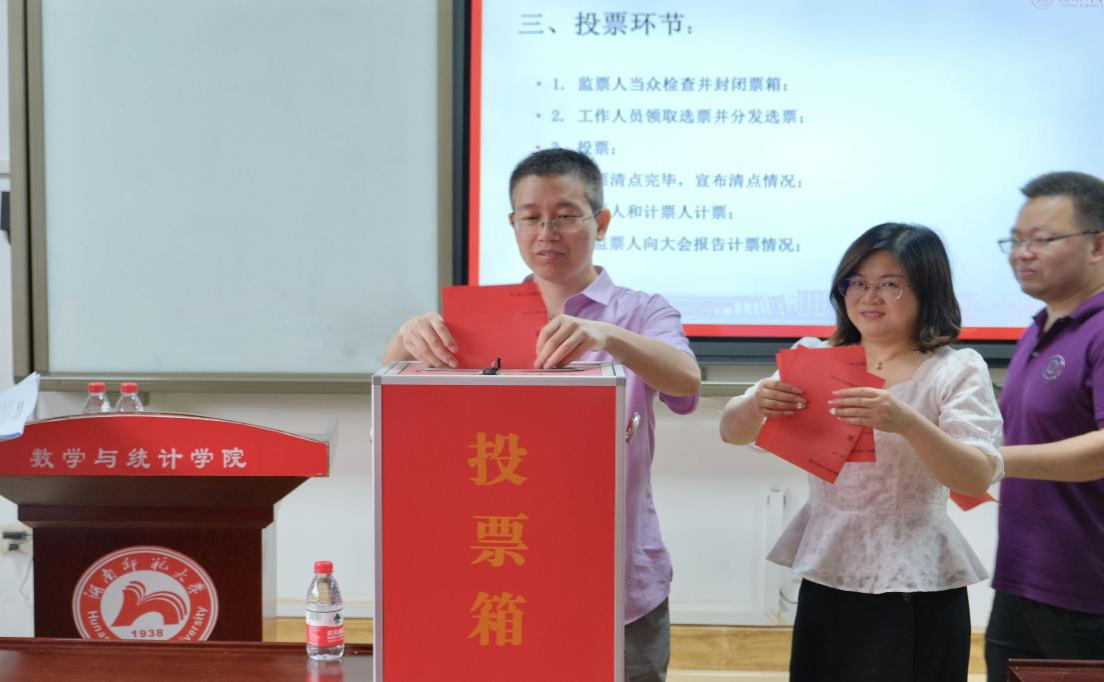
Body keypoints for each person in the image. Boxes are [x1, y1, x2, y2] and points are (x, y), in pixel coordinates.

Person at [383, 148, 701, 682]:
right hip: (503, 567)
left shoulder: (642, 311)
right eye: (531, 218)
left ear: (601, 222)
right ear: (513, 224)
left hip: (615, 575)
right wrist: (402, 342)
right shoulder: (477, 318)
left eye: (565, 215)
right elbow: (404, 413)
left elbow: (686, 381)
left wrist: (607, 335)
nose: (546, 232)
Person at [719, 223, 1002, 682]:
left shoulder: (954, 369)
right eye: (857, 282)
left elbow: (976, 476)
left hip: (916, 578)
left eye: (889, 284)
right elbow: (731, 432)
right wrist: (755, 405)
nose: (869, 297)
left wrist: (908, 422)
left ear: (927, 290)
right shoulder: (816, 356)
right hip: (829, 568)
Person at [985, 171, 1104, 682]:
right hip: (1021, 579)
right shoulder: (1036, 331)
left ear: (1098, 245)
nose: (1022, 254)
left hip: (1088, 593)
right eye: (1015, 240)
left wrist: (991, 461)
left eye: (1042, 240)